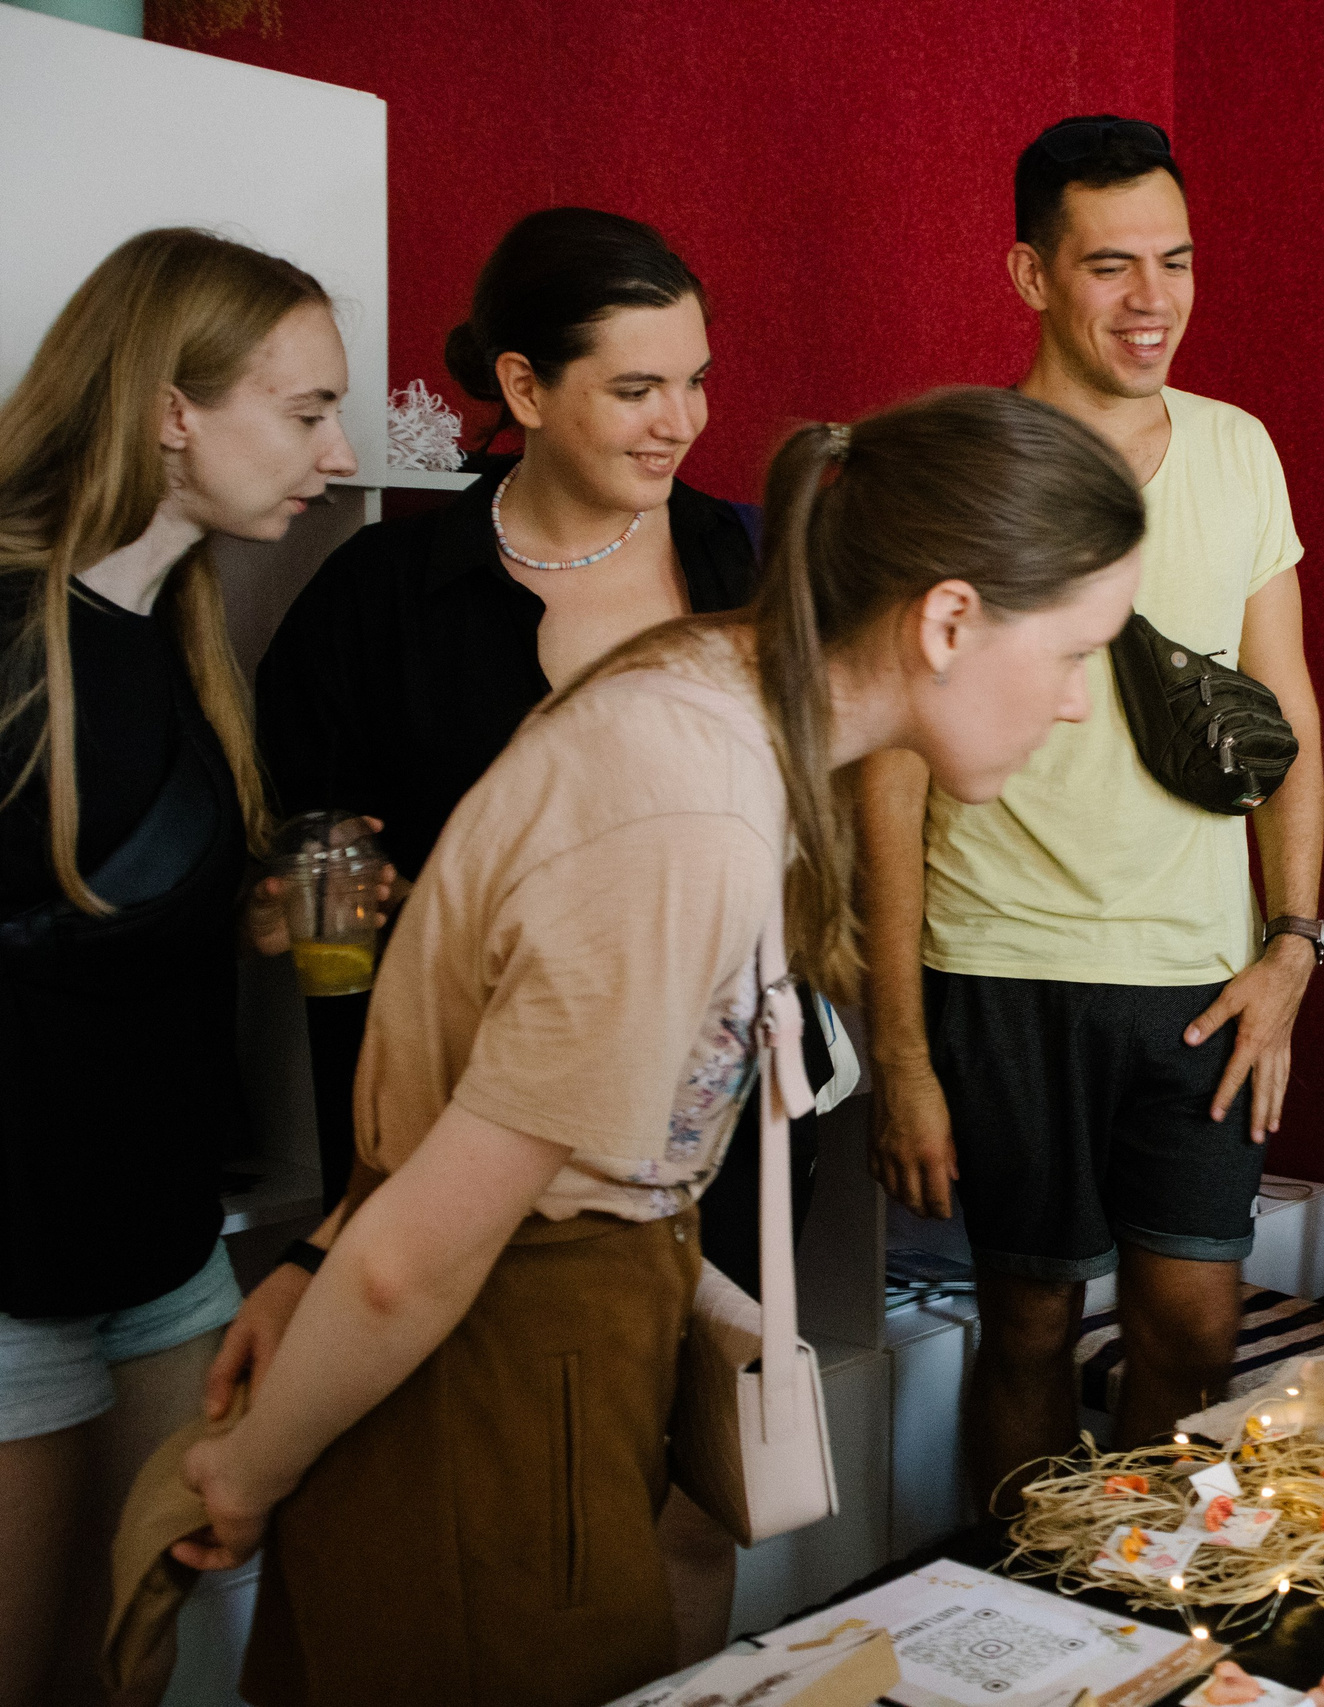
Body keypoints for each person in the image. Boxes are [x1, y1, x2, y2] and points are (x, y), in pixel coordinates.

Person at [173, 387, 1146, 1707]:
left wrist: (315, 1255)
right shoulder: (689, 806)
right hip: (498, 1375)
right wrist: (245, 1470)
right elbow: (425, 1256)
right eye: (1078, 651)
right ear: (950, 617)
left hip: (553, 1335)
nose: (1080, 704)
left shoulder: (715, 693)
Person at [241, 206, 758, 1658]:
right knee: (487, 1509)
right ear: (524, 390)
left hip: (700, 1124)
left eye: (699, 380)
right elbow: (291, 839)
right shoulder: (384, 596)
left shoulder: (737, 563)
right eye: (638, 388)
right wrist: (310, 901)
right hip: (455, 1134)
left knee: (701, 1482)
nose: (683, 423)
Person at [854, 116, 1324, 1509]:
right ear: (1030, 275)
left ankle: (1152, 1609)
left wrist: (1293, 943)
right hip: (1001, 965)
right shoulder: (961, 469)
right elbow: (885, 763)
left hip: (1199, 977)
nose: (1153, 299)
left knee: (1194, 1327)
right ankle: (1021, 1610)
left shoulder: (1241, 451)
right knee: (1031, 1330)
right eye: (1111, 265)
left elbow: (1283, 709)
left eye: (1174, 262)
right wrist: (902, 1049)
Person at [0, 228, 357, 1707]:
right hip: (10, 1269)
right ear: (171, 408)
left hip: (163, 1249)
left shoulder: (186, 624)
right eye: (307, 409)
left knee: (132, 1664)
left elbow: (88, 923)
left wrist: (249, 918)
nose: (333, 455)